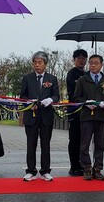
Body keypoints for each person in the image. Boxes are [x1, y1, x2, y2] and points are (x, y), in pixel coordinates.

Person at [73, 54, 104, 180]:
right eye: (91, 63)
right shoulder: (82, 80)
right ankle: (86, 168)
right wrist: (86, 102)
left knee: (99, 144)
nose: (93, 65)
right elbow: (76, 97)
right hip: (87, 116)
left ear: (101, 65)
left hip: (101, 116)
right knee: (84, 144)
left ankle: (98, 168)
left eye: (96, 63)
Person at [20, 51, 60, 181]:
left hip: (46, 115)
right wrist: (29, 103)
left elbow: (56, 96)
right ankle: (30, 170)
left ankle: (45, 171)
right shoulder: (27, 78)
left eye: (40, 62)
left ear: (45, 64)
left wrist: (50, 100)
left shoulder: (52, 79)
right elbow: (22, 96)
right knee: (31, 144)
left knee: (45, 144)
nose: (37, 65)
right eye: (35, 62)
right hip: (31, 115)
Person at [66, 49, 88, 176]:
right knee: (74, 139)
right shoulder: (72, 74)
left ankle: (82, 164)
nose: (81, 60)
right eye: (78, 58)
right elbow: (73, 93)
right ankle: (74, 165)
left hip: (86, 111)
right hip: (75, 110)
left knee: (83, 139)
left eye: (83, 58)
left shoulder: (87, 74)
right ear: (74, 60)